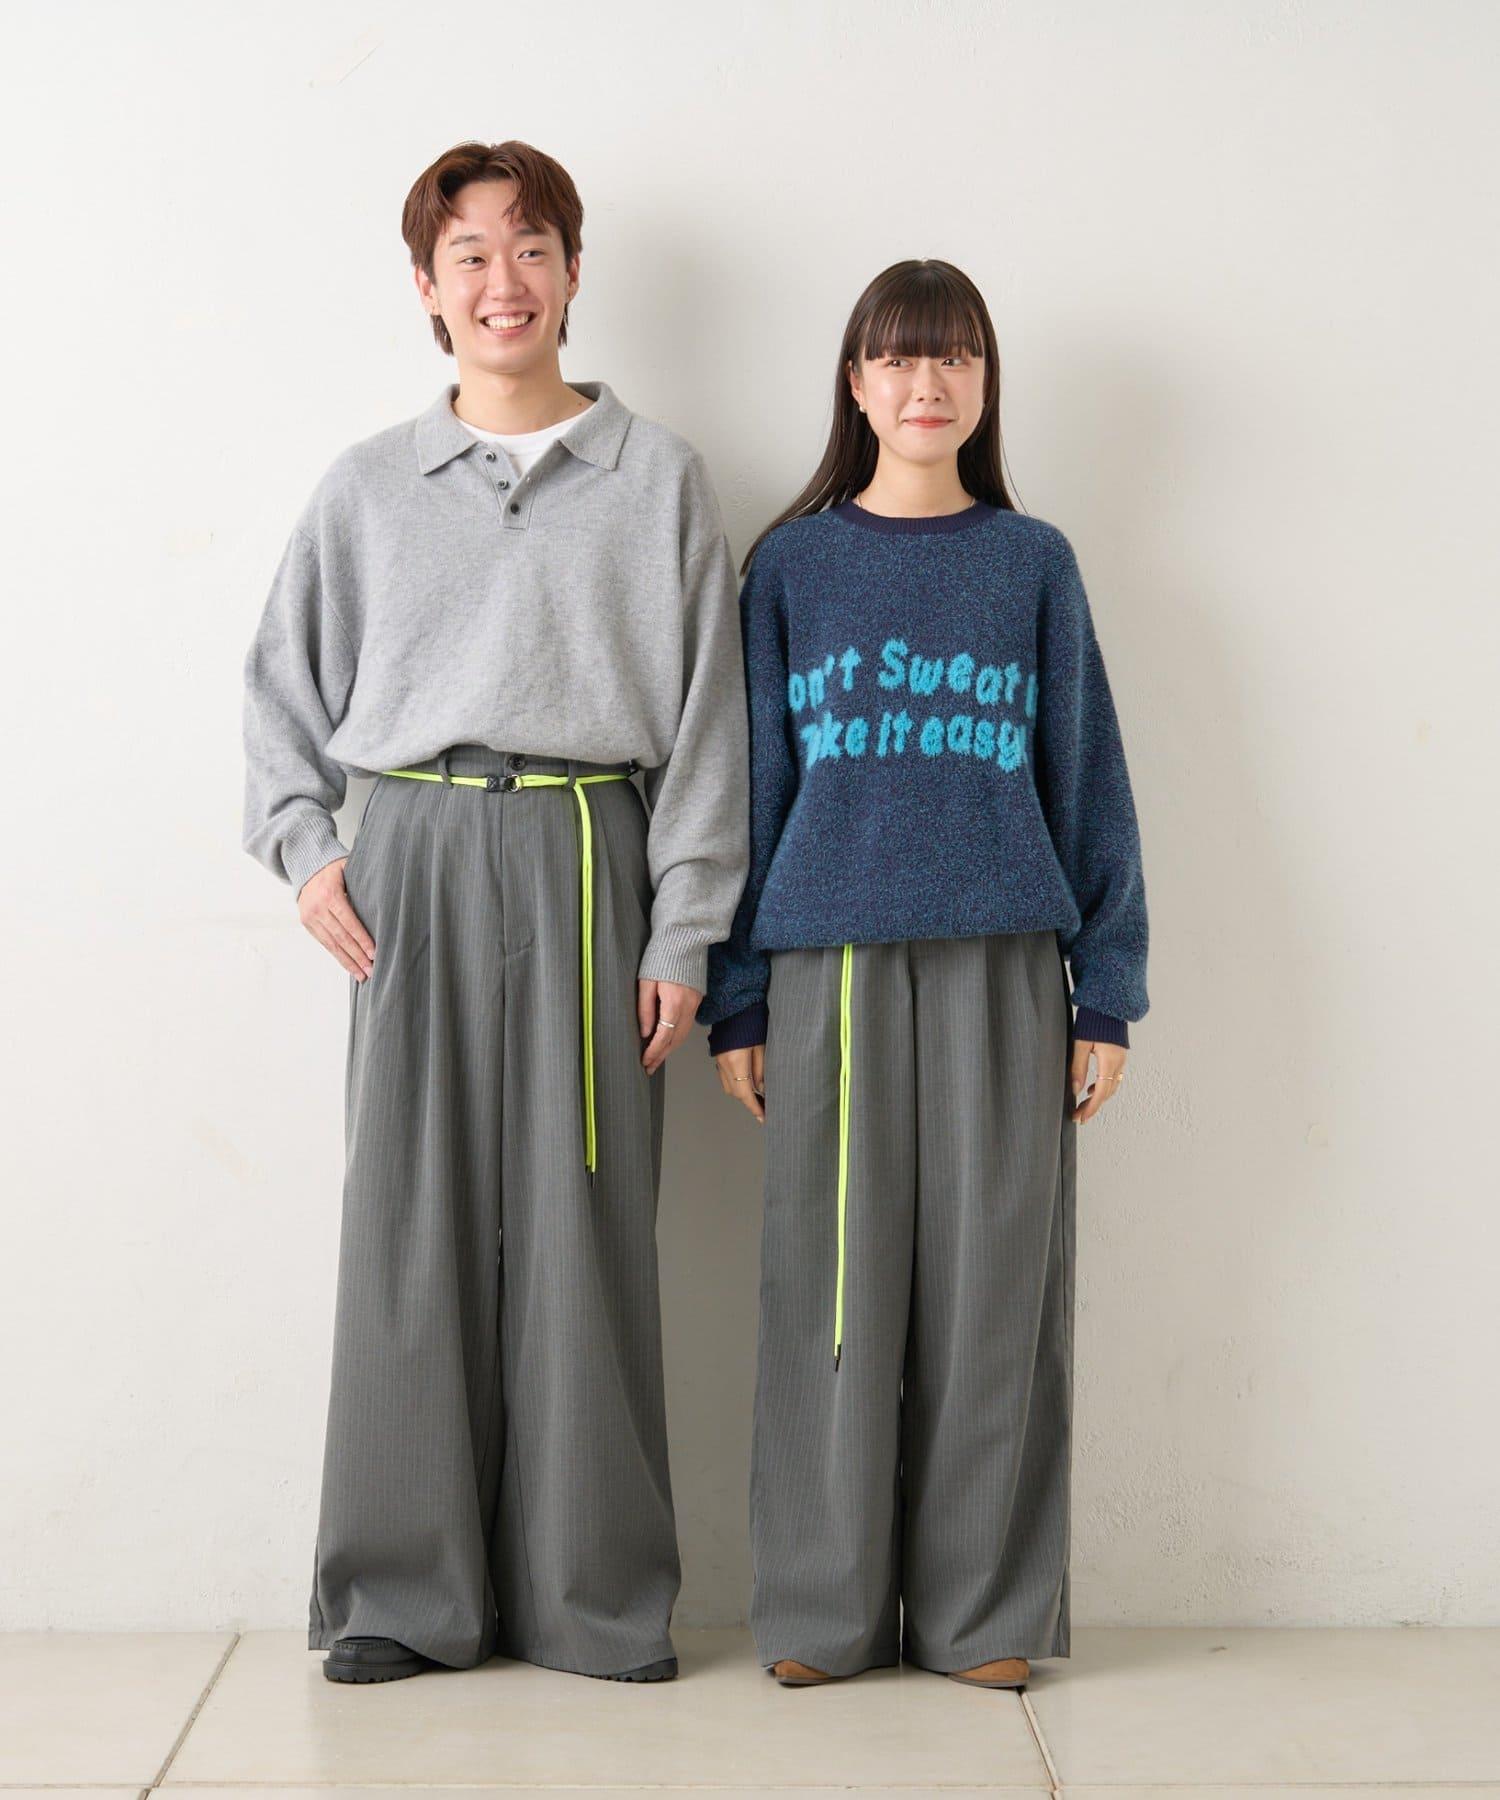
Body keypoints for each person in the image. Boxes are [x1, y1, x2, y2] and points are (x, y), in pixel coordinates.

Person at [242, 140, 747, 1685]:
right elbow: (279, 692)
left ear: (574, 272)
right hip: (413, 858)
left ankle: (595, 1598)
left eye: (531, 248)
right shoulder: (368, 487)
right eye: (469, 254)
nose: (502, 282)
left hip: (592, 853)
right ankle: (403, 1596)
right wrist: (308, 850)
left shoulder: (658, 480)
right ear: (427, 287)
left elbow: (711, 729)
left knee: (588, 1229)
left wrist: (685, 930)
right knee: (414, 1226)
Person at [698, 259, 1148, 1692]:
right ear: (855, 382)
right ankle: (822, 1614)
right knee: (830, 1292)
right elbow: (750, 792)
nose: (926, 384)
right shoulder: (791, 567)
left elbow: (1088, 784)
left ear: (986, 382)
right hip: (827, 965)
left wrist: (1104, 988)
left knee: (994, 1291)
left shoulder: (1032, 563)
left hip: (1005, 967)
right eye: (897, 357)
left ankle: (984, 1615)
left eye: (953, 356)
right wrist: (737, 993)